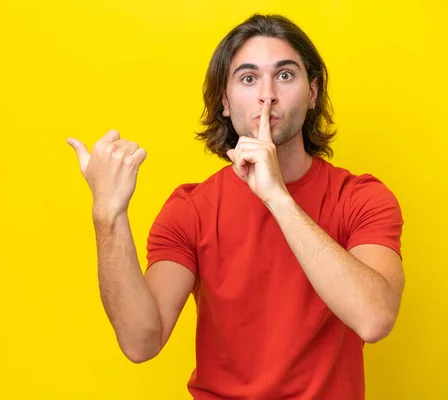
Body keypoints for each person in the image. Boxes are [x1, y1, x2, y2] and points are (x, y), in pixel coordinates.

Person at [66, 13, 404, 400]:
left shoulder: (361, 198)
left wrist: (277, 197)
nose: (267, 95)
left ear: (313, 92)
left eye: (285, 75)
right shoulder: (190, 209)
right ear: (225, 102)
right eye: (248, 78)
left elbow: (374, 319)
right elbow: (141, 342)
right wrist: (108, 216)